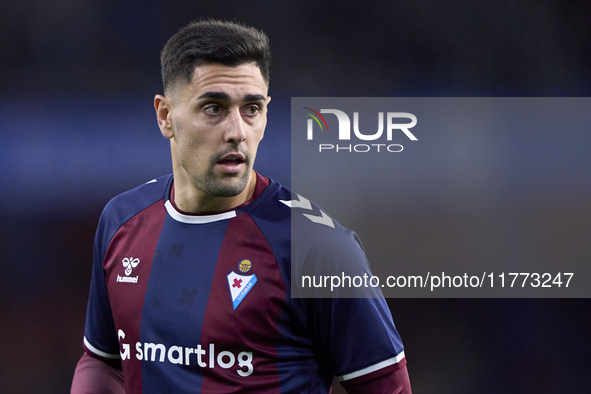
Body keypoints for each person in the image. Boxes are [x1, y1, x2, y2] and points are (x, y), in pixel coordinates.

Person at [71, 19, 411, 393]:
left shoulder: (317, 247)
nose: (237, 131)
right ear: (166, 116)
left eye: (251, 108)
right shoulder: (122, 220)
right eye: (214, 108)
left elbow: (387, 387)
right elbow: (102, 360)